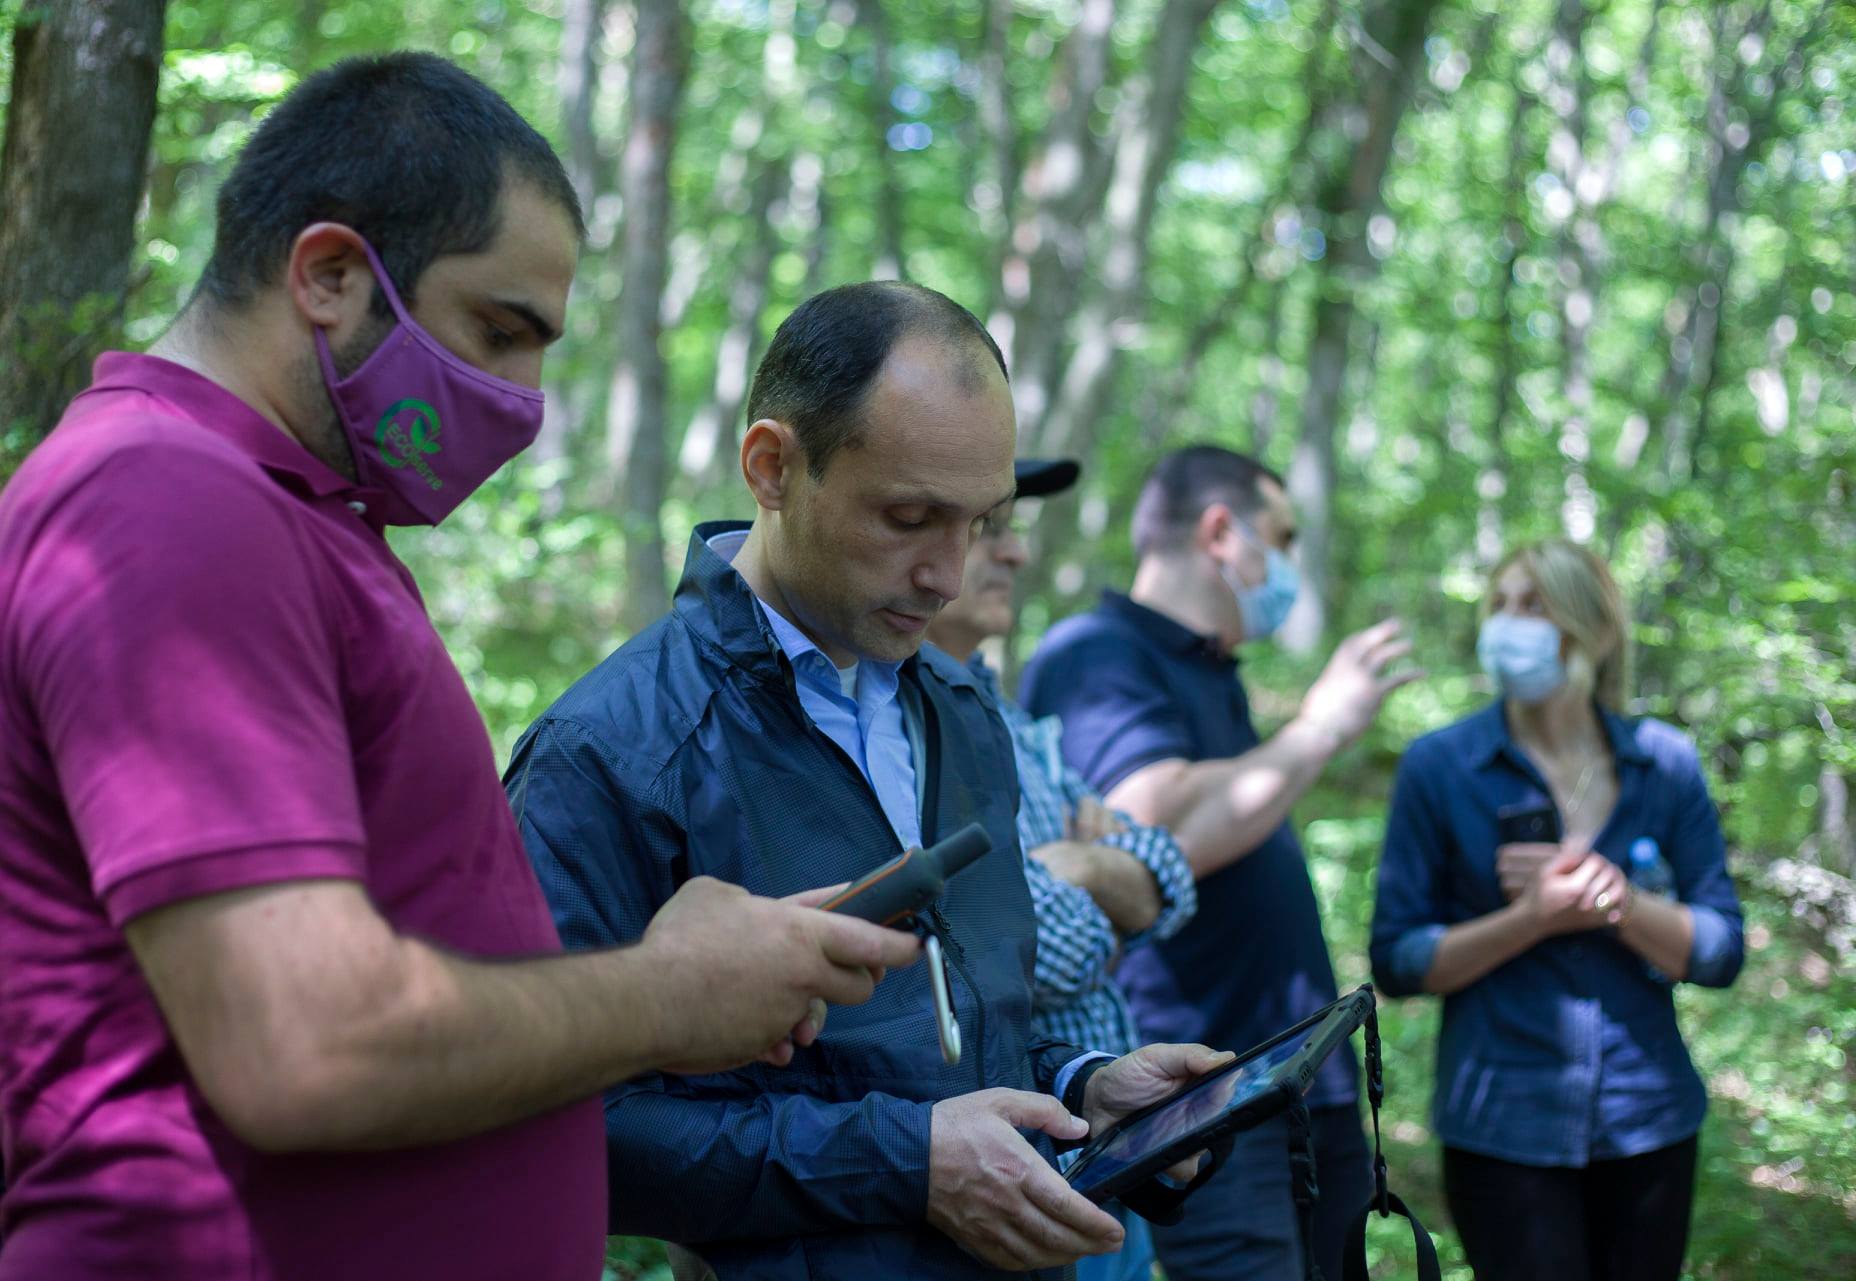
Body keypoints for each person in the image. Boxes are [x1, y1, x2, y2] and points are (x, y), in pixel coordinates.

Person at [0, 55, 919, 1281]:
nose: (524, 400)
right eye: (498, 330)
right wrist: (661, 994)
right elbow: (302, 1042)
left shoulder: (294, 519)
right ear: (329, 275)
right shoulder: (169, 504)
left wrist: (700, 978)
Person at [506, 282, 1233, 1281]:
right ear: (772, 467)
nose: (947, 574)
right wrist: (906, 1162)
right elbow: (561, 1126)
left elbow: (962, 1040)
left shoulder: (961, 710)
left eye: (978, 523)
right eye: (908, 517)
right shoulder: (612, 751)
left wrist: (1083, 1091)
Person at [1019, 444, 1415, 1281]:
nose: (1291, 561)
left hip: (1299, 1075)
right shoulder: (1096, 652)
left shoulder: (1212, 669)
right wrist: (1321, 725)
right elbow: (1153, 833)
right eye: (1284, 535)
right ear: (1221, 532)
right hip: (1203, 1094)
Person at [1370, 540, 1743, 1281]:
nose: (1507, 623)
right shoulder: (1440, 766)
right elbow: (1398, 959)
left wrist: (1618, 902)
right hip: (1502, 1125)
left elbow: (1721, 950)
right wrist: (1531, 917)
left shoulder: (1664, 763)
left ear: (1591, 631)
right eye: (1499, 604)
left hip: (1648, 1119)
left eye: (1533, 605)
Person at [923, 456, 1199, 1281]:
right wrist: (1104, 900)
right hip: (1016, 1181)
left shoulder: (1009, 717)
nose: (1015, 552)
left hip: (1111, 1154)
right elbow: (1027, 955)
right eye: (989, 529)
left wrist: (1071, 864)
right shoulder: (907, 733)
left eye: (1009, 529)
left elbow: (1167, 879)